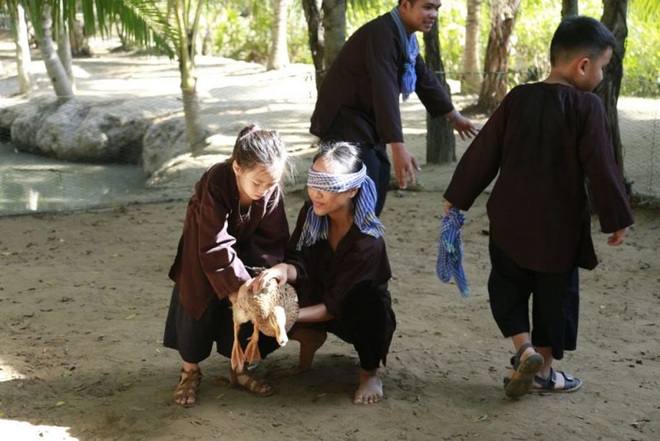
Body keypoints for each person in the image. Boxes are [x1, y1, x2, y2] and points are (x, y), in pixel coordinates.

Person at [442, 16, 634, 398]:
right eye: (602, 66)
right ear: (583, 65)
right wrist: (616, 217)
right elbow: (601, 164)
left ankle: (523, 349)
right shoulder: (588, 107)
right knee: (555, 299)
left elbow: (485, 152)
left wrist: (457, 197)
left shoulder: (517, 97)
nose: (601, 75)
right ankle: (544, 371)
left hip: (509, 222)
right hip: (558, 231)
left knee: (507, 288)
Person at [255, 141, 396, 405]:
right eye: (313, 182)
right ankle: (310, 335)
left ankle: (370, 373)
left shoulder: (368, 240)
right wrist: (282, 270)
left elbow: (338, 303)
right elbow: (300, 263)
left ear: (352, 190)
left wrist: (288, 316)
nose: (316, 193)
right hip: (316, 296)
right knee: (262, 297)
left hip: (352, 314)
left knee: (367, 301)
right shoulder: (312, 213)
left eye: (327, 185)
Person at [310, 0, 479, 216]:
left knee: (378, 176)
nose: (433, 14)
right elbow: (385, 88)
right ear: (405, 5)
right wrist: (398, 146)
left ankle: (361, 243)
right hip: (344, 121)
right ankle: (347, 244)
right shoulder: (381, 34)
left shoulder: (405, 39)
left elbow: (423, 78)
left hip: (366, 124)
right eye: (427, 7)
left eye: (437, 8)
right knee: (362, 185)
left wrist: (454, 117)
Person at [163, 124, 290, 405]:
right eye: (257, 183)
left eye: (271, 183)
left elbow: (273, 239)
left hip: (246, 255)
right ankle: (189, 372)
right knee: (197, 306)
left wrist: (258, 280)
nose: (264, 190)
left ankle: (239, 369)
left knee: (251, 304)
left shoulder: (270, 190)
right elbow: (214, 243)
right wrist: (237, 285)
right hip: (204, 249)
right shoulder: (216, 180)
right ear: (237, 168)